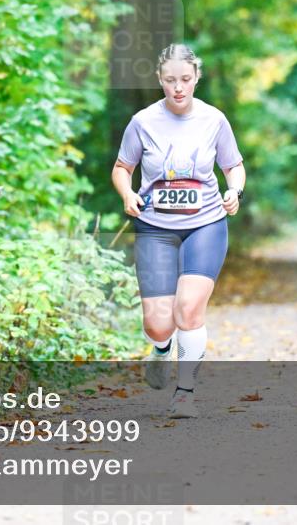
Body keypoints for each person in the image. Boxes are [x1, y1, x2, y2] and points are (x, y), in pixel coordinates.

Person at [111, 43, 246, 418]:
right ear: (160, 79)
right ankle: (160, 348)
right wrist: (127, 194)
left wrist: (234, 191)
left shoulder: (214, 120)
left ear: (196, 77)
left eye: (185, 79)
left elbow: (233, 166)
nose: (178, 87)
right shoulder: (143, 122)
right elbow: (122, 167)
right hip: (155, 227)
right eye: (170, 80)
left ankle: (185, 393)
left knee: (188, 309)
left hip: (205, 224)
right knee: (158, 324)